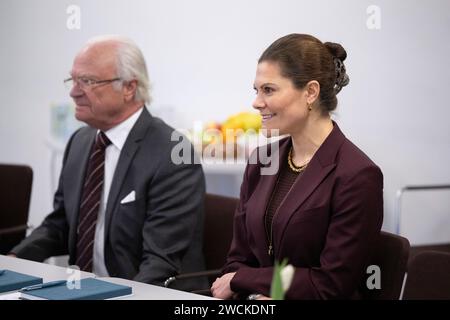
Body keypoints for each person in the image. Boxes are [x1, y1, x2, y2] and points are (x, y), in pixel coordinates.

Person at [10, 35, 206, 291]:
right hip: (81, 289)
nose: (74, 91)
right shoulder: (80, 142)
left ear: (128, 87)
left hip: (142, 292)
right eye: (73, 79)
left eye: (87, 81)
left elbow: (159, 263)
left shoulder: (173, 153)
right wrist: (14, 260)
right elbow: (60, 224)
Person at [211, 34, 383, 299]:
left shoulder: (357, 175)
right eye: (256, 90)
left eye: (268, 90)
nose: (256, 102)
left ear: (310, 92)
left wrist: (246, 281)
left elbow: (331, 283)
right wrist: (256, 295)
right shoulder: (261, 160)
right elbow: (237, 259)